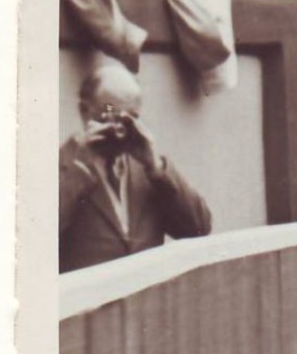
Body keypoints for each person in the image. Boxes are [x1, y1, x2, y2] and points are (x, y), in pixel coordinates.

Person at [59, 64, 212, 273]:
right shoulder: (58, 165)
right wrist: (80, 172)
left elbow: (199, 228)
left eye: (131, 117)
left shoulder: (147, 168)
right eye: (109, 112)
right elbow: (36, 239)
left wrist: (157, 167)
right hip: (86, 302)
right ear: (84, 111)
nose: (119, 127)